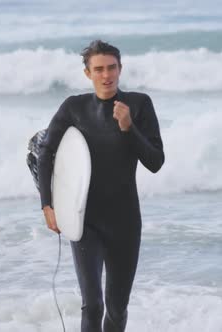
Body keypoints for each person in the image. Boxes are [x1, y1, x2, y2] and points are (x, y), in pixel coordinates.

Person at [37, 40, 164, 331]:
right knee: (92, 305)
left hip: (125, 221)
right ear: (87, 74)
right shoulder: (74, 108)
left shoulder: (139, 105)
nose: (106, 75)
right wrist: (47, 205)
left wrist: (129, 128)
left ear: (120, 69)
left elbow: (155, 161)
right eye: (99, 69)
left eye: (111, 68)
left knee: (117, 310)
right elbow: (46, 153)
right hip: (85, 220)